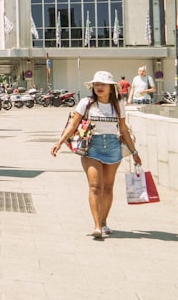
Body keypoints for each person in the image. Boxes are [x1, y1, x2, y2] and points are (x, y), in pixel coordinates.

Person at [51, 71, 141, 239]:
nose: (99, 87)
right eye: (97, 84)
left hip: (113, 146)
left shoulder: (118, 104)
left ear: (111, 88)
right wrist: (59, 142)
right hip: (91, 146)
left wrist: (134, 152)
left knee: (108, 187)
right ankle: (97, 226)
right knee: (95, 186)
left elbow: (123, 129)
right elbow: (73, 124)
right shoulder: (86, 103)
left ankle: (104, 221)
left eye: (103, 84)